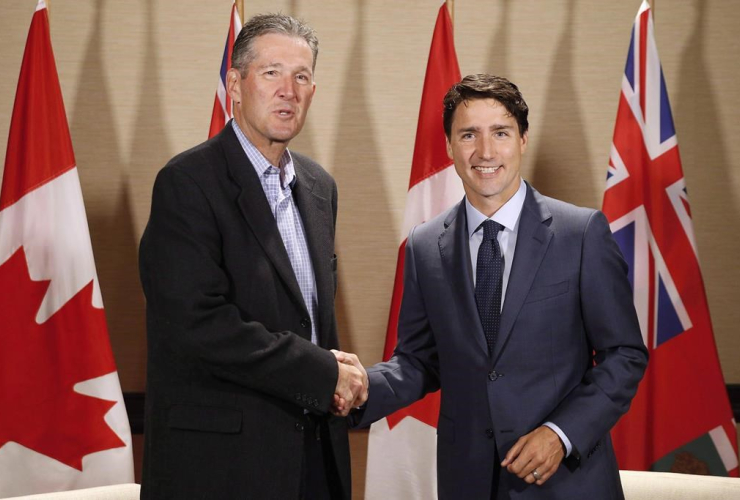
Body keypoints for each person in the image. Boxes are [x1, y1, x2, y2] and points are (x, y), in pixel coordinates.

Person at [342, 74, 648, 499]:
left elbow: (625, 354)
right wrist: (361, 388)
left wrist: (561, 434)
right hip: (467, 480)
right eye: (468, 134)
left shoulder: (580, 233)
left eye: (500, 133)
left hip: (566, 483)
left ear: (523, 138)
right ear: (450, 146)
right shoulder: (425, 245)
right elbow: (419, 360)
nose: (485, 152)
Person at [139, 13, 366, 500]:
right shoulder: (187, 183)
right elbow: (197, 324)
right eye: (272, 73)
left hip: (314, 459)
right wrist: (324, 372)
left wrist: (338, 377)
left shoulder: (319, 187)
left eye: (301, 76)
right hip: (223, 469)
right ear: (236, 85)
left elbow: (309, 322)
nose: (289, 89)